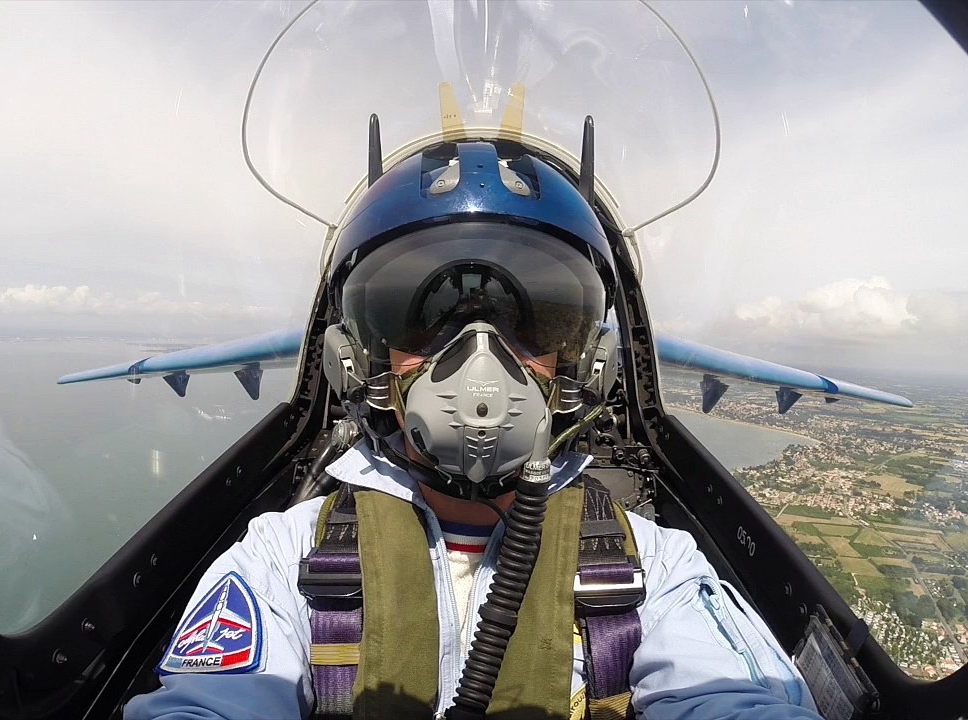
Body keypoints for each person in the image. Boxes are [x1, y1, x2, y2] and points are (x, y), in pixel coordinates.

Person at [125, 140, 823, 719]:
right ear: (356, 357)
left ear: (588, 359)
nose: (480, 361)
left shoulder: (657, 571)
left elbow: (736, 702)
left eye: (538, 320)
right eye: (415, 315)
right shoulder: (281, 562)